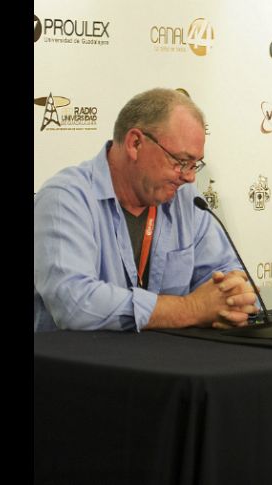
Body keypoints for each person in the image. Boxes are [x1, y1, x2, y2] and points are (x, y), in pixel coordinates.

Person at [34, 88, 258, 332]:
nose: (191, 177)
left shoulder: (185, 198)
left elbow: (228, 277)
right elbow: (75, 304)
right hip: (78, 367)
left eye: (196, 164)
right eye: (181, 162)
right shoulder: (65, 198)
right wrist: (190, 309)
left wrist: (235, 298)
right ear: (135, 143)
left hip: (169, 363)